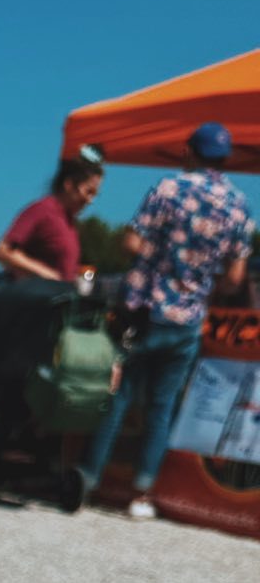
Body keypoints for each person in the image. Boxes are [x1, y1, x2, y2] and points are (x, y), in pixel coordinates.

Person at [77, 123, 252, 520]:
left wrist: (160, 257)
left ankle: (87, 480)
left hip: (146, 310)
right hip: (189, 320)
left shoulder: (169, 188)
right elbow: (235, 278)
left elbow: (131, 241)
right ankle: (142, 494)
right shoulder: (239, 205)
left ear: (189, 152)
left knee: (120, 398)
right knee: (162, 407)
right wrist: (200, 280)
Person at [0, 154, 103, 284]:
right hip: (34, 294)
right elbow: (3, 251)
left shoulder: (69, 222)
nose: (90, 200)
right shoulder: (42, 210)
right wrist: (45, 274)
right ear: (69, 185)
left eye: (95, 194)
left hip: (61, 294)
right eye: (88, 191)